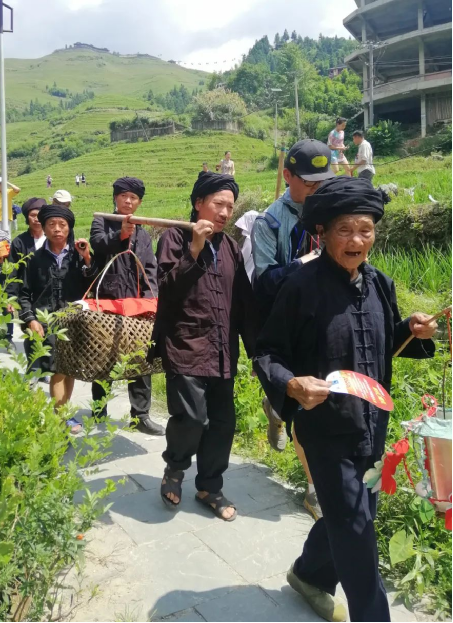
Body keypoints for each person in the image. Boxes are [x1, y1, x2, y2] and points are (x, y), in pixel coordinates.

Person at [255, 177, 437, 623]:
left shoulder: (380, 285)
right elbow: (267, 353)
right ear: (322, 232)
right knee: (357, 529)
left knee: (357, 512)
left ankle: (308, 573)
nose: (357, 240)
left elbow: (384, 342)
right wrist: (292, 384)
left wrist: (412, 331)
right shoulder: (299, 286)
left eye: (365, 230)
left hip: (372, 426)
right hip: (324, 430)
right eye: (345, 230)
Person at [154, 172, 257, 521]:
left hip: (222, 349)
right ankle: (175, 468)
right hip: (185, 345)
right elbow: (168, 290)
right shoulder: (174, 237)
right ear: (199, 203)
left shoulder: (230, 247)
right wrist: (195, 249)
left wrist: (257, 351)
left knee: (222, 423)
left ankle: (209, 487)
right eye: (218, 204)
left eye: (230, 207)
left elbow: (243, 303)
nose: (225, 213)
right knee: (192, 418)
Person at [252, 139, 335, 520]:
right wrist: (304, 263)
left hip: (329, 320)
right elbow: (265, 283)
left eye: (323, 181)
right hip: (290, 326)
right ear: (287, 176)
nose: (318, 189)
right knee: (305, 407)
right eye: (310, 182)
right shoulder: (269, 222)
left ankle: (275, 403)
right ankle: (316, 489)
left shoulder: (333, 210)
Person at [90, 177, 164, 436]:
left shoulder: (143, 233)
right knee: (104, 354)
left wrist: (150, 298)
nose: (128, 201)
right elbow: (98, 244)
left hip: (136, 305)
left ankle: (140, 415)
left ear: (139, 202)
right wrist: (120, 234)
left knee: (140, 357)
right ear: (115, 198)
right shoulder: (102, 221)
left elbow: (150, 268)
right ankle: (99, 408)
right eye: (124, 196)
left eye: (134, 198)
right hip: (107, 301)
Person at [18, 205, 96, 434]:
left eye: (62, 225)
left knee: (69, 369)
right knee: (57, 369)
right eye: (51, 224)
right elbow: (23, 293)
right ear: (43, 228)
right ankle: (60, 419)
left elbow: (92, 285)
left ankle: (63, 414)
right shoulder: (34, 259)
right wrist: (30, 319)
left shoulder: (77, 256)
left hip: (74, 322)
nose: (57, 229)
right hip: (47, 322)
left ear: (69, 228)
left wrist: (87, 258)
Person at [7, 197, 47, 368]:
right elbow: (12, 271)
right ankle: (34, 370)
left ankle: (48, 370)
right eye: (32, 215)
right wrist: (10, 298)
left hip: (49, 292)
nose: (36, 219)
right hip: (27, 294)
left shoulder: (54, 238)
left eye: (40, 215)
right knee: (31, 331)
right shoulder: (19, 242)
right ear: (26, 217)